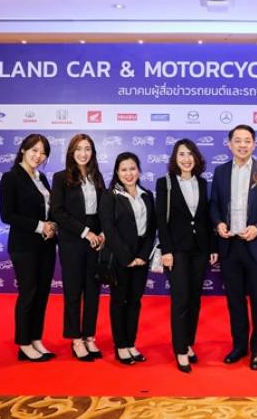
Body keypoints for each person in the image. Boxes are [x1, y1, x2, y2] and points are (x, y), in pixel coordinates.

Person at [210, 124, 257, 370]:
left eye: (247, 140)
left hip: (256, 245)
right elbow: (214, 205)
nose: (242, 145)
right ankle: (239, 346)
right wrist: (218, 223)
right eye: (238, 140)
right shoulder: (220, 172)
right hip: (230, 246)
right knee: (235, 301)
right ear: (229, 144)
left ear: (254, 144)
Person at [155, 139, 218, 373]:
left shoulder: (201, 182)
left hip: (200, 250)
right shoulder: (165, 183)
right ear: (175, 158)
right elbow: (161, 220)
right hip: (177, 251)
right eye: (181, 154)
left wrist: (212, 247)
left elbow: (204, 218)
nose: (186, 158)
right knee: (181, 300)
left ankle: (188, 343)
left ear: (196, 158)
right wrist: (167, 251)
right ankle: (180, 350)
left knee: (194, 300)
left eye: (190, 154)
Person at [0, 133, 57, 362]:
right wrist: (40, 226)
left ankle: (35, 338)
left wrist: (52, 225)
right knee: (29, 293)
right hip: (24, 246)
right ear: (23, 149)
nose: (38, 156)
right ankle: (24, 344)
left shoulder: (42, 178)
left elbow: (49, 209)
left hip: (46, 245)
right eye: (34, 150)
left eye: (43, 153)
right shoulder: (10, 177)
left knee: (42, 294)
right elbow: (7, 215)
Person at [51, 133, 106, 362]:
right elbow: (57, 212)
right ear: (71, 152)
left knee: (93, 291)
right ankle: (76, 339)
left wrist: (103, 233)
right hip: (72, 240)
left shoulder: (97, 177)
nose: (83, 153)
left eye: (87, 149)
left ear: (92, 152)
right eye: (79, 149)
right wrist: (85, 232)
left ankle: (89, 336)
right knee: (73, 291)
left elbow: (104, 209)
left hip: (95, 241)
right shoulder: (60, 177)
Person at [98, 152, 156, 365]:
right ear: (117, 172)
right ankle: (121, 346)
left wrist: (142, 256)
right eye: (124, 169)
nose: (129, 173)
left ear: (138, 170)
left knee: (134, 301)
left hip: (141, 258)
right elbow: (109, 229)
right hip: (119, 257)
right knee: (119, 301)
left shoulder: (147, 195)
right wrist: (127, 257)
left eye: (132, 168)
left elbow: (151, 228)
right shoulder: (110, 195)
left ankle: (131, 344)